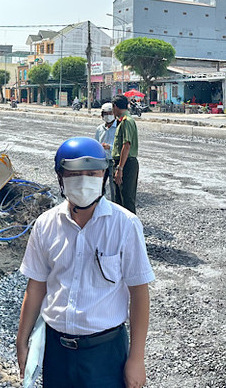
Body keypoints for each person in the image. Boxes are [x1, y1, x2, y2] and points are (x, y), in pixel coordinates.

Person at [15, 137, 155, 388]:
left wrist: (137, 358)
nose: (84, 180)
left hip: (105, 353)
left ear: (104, 175)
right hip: (56, 352)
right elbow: (35, 286)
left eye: (92, 173)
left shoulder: (125, 225)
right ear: (61, 178)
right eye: (75, 173)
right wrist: (21, 341)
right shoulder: (45, 225)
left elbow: (139, 292)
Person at [111, 95, 139, 213]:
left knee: (126, 199)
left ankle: (131, 228)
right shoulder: (122, 120)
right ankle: (121, 228)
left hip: (126, 163)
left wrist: (120, 168)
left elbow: (126, 145)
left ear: (115, 106)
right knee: (119, 199)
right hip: (123, 162)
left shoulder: (126, 121)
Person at [94, 102, 117, 199]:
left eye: (110, 113)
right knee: (99, 185)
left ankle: (115, 204)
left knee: (113, 186)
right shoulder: (99, 129)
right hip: (102, 161)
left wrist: (109, 147)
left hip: (113, 160)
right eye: (105, 114)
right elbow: (96, 143)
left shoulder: (118, 127)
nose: (108, 116)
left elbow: (120, 146)